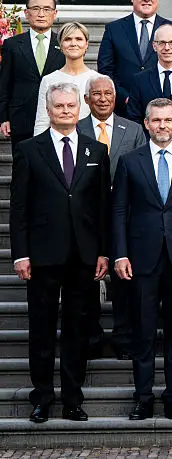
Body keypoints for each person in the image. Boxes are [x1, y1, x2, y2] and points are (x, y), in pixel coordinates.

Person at [10, 83, 110, 423]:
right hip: (41, 256)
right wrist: (20, 254)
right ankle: (42, 397)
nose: (66, 111)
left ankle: (72, 398)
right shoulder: (29, 150)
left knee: (76, 330)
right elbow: (19, 207)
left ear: (79, 109)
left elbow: (102, 208)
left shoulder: (96, 151)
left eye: (70, 105)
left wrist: (104, 252)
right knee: (41, 329)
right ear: (49, 111)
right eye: (59, 106)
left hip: (83, 256)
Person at [111, 98, 172, 421]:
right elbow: (119, 211)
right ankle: (142, 397)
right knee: (143, 331)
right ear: (146, 123)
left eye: (168, 120)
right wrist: (120, 253)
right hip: (141, 258)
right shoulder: (130, 161)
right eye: (156, 121)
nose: (162, 126)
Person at [79, 74, 147, 361]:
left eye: (108, 93)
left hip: (125, 215)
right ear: (86, 99)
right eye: (97, 94)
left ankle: (123, 337)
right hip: (86, 216)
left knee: (123, 280)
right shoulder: (76, 128)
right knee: (86, 278)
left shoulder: (132, 129)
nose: (103, 98)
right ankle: (91, 338)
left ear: (116, 97)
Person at [97, 0, 172, 115]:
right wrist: (125, 97)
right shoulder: (113, 30)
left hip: (163, 111)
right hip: (125, 109)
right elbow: (106, 70)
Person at [0, 0, 65, 145]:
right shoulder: (12, 45)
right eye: (36, 8)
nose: (41, 14)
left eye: (47, 9)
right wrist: (4, 117)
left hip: (56, 118)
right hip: (21, 118)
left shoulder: (64, 43)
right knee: (22, 166)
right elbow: (4, 83)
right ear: (26, 13)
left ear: (55, 13)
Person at [33, 22, 101, 135]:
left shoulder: (97, 79)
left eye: (79, 39)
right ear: (60, 45)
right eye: (68, 39)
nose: (73, 43)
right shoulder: (48, 80)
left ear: (86, 44)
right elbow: (42, 122)